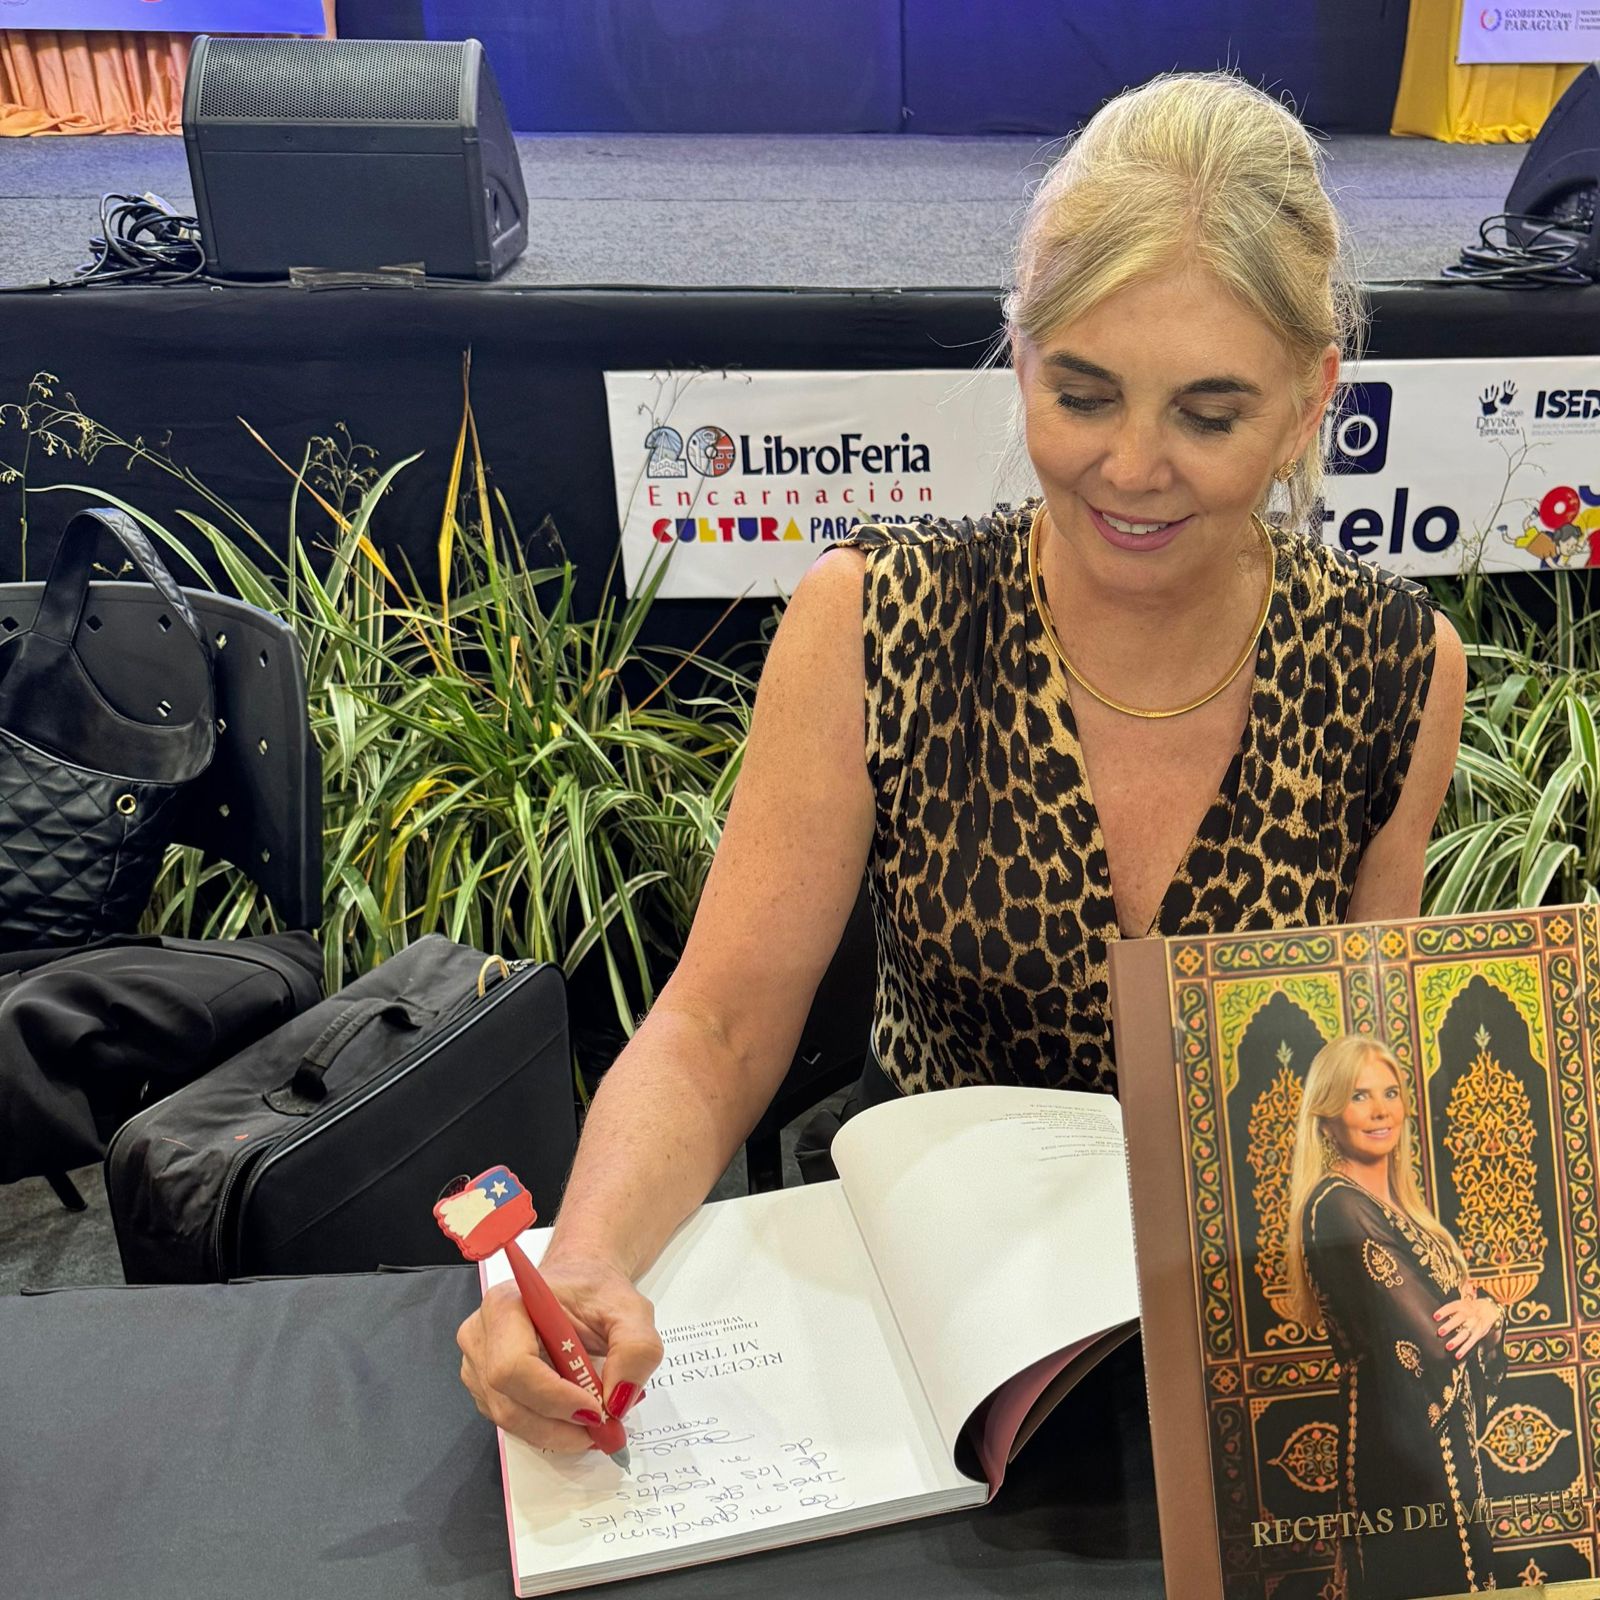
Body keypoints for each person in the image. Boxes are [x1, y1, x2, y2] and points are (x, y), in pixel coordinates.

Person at [456, 72, 1468, 1458]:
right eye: (1083, 392)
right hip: (927, 1313)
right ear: (1022, 351)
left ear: (1308, 405)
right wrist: (583, 1259)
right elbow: (716, 1030)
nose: (1131, 466)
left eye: (1209, 415)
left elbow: (1369, 1071)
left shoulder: (1396, 669)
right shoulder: (879, 621)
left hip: (1233, 1350)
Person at [1286, 1035, 1503, 1598]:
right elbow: (1435, 1337)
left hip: (1441, 1444)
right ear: (1328, 1118)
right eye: (1360, 1096)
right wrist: (1481, 1313)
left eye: (1390, 1092)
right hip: (1400, 1448)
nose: (1382, 1109)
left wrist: (1486, 1309)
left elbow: (1461, 1314)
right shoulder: (1336, 1205)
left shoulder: (1403, 1207)